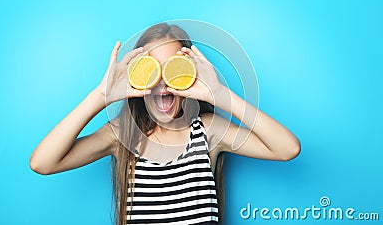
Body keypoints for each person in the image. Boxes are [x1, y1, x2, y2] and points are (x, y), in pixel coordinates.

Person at [29, 23, 301, 225]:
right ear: (137, 77)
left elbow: (287, 148)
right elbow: (43, 162)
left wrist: (221, 95)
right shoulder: (122, 135)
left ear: (189, 74)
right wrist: (101, 97)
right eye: (152, 70)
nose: (163, 84)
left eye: (173, 69)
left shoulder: (207, 131)